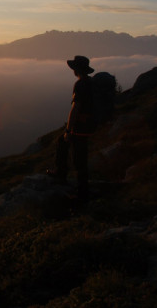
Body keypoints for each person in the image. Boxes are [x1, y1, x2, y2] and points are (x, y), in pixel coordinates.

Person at [54, 55, 94, 202]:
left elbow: (75, 108)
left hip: (81, 126)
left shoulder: (80, 85)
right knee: (61, 143)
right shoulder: (91, 82)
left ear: (76, 69)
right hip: (90, 124)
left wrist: (69, 130)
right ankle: (61, 174)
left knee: (79, 159)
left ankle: (82, 194)